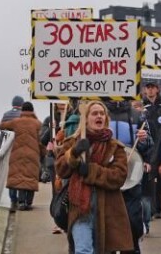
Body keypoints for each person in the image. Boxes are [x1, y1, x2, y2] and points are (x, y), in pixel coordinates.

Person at [54, 100, 134, 253]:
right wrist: (73, 153)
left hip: (107, 212)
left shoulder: (115, 147)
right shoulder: (72, 142)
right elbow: (60, 169)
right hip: (80, 209)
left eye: (102, 113)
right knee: (83, 250)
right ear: (86, 119)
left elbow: (118, 177)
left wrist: (90, 171)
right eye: (94, 113)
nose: (99, 116)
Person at [106, 99, 152, 253]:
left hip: (132, 176)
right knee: (108, 222)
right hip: (107, 176)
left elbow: (148, 148)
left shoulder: (138, 116)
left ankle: (133, 248)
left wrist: (144, 140)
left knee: (132, 220)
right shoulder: (100, 113)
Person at [0, 101, 44, 211]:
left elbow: (1, 126)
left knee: (21, 176)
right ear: (32, 111)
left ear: (22, 111)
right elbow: (41, 140)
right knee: (31, 177)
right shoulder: (38, 123)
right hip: (33, 154)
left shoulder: (16, 122)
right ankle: (28, 202)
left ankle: (21, 202)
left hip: (18, 154)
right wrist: (43, 153)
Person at [143, 81, 161, 220]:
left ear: (157, 90)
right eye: (147, 88)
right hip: (148, 145)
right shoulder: (142, 106)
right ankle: (151, 207)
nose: (150, 90)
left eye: (152, 88)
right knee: (150, 176)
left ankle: (158, 207)